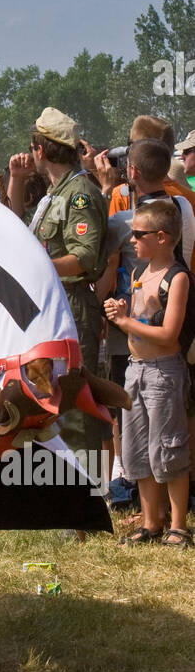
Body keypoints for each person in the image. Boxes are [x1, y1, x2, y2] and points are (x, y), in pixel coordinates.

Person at [8, 107, 108, 466]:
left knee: (75, 401)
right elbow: (17, 233)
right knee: (52, 397)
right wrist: (17, 180)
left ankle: (88, 495)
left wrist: (39, 267)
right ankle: (69, 492)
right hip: (54, 304)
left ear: (41, 149)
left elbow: (84, 256)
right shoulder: (56, 193)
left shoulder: (78, 193)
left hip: (73, 304)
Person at [105, 198, 192, 547]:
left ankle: (178, 526)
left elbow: (170, 334)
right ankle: (151, 521)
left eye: (138, 234)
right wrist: (126, 313)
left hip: (163, 372)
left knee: (168, 448)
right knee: (138, 449)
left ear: (161, 236)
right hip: (135, 369)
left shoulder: (178, 277)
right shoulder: (140, 273)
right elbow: (141, 324)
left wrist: (126, 321)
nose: (132, 240)